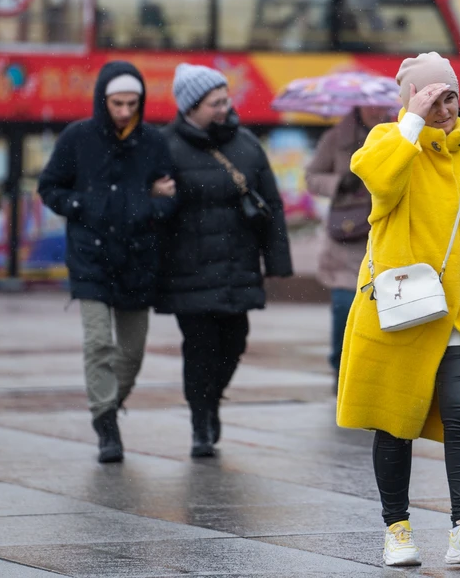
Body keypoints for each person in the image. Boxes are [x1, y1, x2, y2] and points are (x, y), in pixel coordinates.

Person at [336, 52, 460, 567]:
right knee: (394, 419)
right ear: (410, 102)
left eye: (450, 97)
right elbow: (380, 184)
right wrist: (410, 122)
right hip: (399, 307)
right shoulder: (387, 142)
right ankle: (396, 529)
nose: (444, 109)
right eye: (432, 99)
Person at [38, 61, 176, 464]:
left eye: (133, 103)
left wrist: (150, 207)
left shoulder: (152, 141)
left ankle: (110, 405)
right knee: (98, 343)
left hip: (138, 259)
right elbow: (49, 187)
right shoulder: (77, 137)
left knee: (131, 353)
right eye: (117, 103)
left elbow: (172, 196)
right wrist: (81, 204)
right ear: (103, 99)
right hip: (90, 257)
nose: (124, 111)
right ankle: (105, 423)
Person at [157, 63, 293, 458]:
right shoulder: (165, 147)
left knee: (235, 342)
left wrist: (278, 261)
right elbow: (151, 212)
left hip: (238, 264)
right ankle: (201, 420)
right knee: (199, 348)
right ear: (190, 107)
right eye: (214, 102)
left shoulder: (247, 144)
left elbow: (273, 205)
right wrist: (158, 197)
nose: (224, 107)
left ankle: (211, 401)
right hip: (189, 268)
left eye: (225, 99)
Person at [305, 106, 390, 387]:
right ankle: (340, 367)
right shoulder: (335, 139)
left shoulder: (397, 133)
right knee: (344, 305)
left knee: (383, 312)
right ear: (358, 106)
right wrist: (340, 182)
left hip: (385, 233)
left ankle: (372, 372)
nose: (376, 111)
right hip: (347, 234)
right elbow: (312, 177)